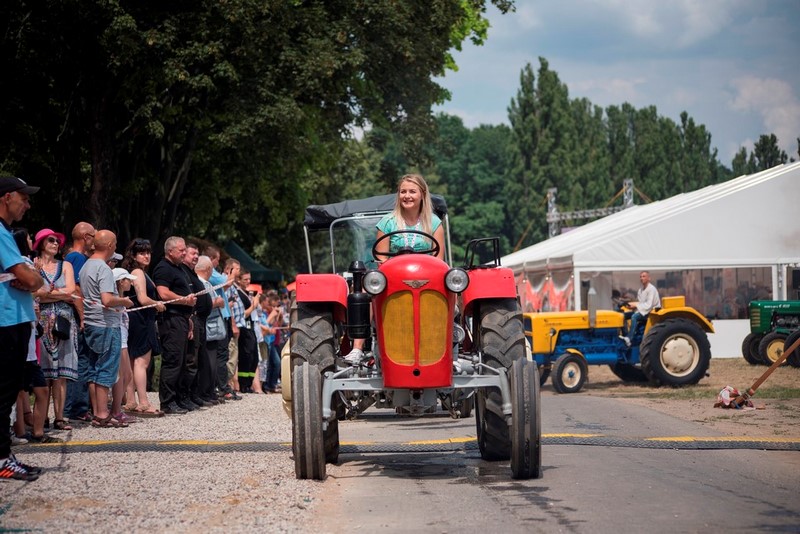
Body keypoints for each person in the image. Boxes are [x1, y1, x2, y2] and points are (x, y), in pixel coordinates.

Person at [344, 173, 444, 365]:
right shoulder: (388, 222)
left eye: (412, 191)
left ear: (422, 194)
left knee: (453, 288)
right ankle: (357, 348)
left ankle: (453, 345)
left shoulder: (434, 223)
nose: (407, 196)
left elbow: (439, 260)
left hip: (426, 278)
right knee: (365, 290)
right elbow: (381, 259)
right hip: (395, 277)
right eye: (403, 191)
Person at [0, 176, 45, 481]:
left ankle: (4, 455)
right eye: (24, 198)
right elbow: (31, 279)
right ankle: (2, 459)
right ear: (7, 197)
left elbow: (33, 278)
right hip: (6, 322)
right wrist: (32, 276)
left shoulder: (5, 232)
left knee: (6, 393)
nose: (27, 205)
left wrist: (32, 277)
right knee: (3, 394)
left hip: (13, 320)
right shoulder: (0, 232)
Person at [80, 230, 133, 428]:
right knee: (106, 368)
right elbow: (107, 300)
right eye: (116, 243)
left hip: (92, 323)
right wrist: (124, 301)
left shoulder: (86, 265)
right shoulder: (103, 268)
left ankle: (97, 412)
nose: (116, 247)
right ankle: (103, 413)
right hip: (106, 324)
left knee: (94, 368)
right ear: (110, 245)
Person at [31, 228, 78, 431]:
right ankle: (42, 417)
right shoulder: (33, 265)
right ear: (41, 243)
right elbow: (34, 292)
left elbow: (71, 291)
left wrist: (47, 294)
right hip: (41, 321)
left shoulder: (65, 265)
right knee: (44, 371)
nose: (56, 243)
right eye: (51, 240)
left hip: (63, 321)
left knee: (61, 373)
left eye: (57, 241)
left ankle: (59, 417)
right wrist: (57, 294)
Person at [120, 238, 165, 416]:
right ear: (134, 255)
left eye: (148, 252)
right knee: (141, 362)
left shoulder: (133, 271)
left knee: (132, 362)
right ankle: (144, 402)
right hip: (141, 320)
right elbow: (143, 298)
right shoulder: (138, 272)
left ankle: (131, 401)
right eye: (142, 253)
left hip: (134, 319)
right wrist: (157, 304)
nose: (146, 256)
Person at [153, 236, 197, 415]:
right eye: (181, 250)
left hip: (182, 318)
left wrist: (188, 317)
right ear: (170, 251)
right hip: (171, 319)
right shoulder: (163, 268)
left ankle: (178, 397)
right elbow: (163, 293)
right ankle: (167, 401)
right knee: (173, 360)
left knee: (182, 361)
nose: (184, 253)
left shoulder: (178, 268)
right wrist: (184, 300)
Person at [63, 221, 95, 424]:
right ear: (85, 237)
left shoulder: (77, 257)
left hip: (78, 314)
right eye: (93, 236)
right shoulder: (76, 258)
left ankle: (75, 406)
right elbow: (75, 288)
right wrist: (83, 316)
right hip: (77, 316)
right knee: (81, 360)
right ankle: (77, 407)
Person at [204, 246, 238, 401]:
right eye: (217, 259)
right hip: (218, 316)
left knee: (223, 353)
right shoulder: (212, 273)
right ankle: (222, 387)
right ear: (212, 259)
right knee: (221, 354)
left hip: (223, 315)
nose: (219, 262)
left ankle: (222, 385)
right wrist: (233, 272)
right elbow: (227, 283)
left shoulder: (214, 272)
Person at [181, 242, 213, 408]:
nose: (195, 257)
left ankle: (195, 394)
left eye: (197, 254)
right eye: (192, 253)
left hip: (200, 321)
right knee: (190, 361)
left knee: (197, 360)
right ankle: (186, 395)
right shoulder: (183, 272)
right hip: (192, 319)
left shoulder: (191, 273)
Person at [195, 255, 225, 404]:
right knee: (208, 363)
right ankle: (206, 392)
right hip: (208, 328)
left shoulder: (206, 283)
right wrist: (217, 302)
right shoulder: (202, 284)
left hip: (212, 329)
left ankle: (210, 391)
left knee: (211, 362)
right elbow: (203, 305)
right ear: (208, 269)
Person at [621, 271, 662, 347]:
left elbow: (649, 305)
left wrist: (636, 305)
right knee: (622, 316)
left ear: (649, 278)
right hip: (642, 310)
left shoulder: (651, 289)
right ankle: (625, 335)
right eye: (640, 277)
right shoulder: (640, 290)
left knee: (634, 317)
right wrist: (630, 305)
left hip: (650, 312)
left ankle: (629, 338)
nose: (641, 278)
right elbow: (640, 303)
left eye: (644, 276)